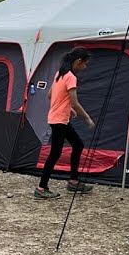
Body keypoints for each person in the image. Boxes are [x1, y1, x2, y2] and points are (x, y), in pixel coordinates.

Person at [35, 47, 95, 200]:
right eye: (85, 64)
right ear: (78, 62)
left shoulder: (59, 74)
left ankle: (73, 181)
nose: (85, 67)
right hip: (59, 120)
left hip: (59, 118)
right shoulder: (70, 77)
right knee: (55, 153)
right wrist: (87, 117)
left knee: (78, 145)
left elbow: (50, 95)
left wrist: (66, 108)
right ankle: (41, 188)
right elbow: (74, 102)